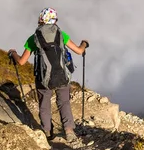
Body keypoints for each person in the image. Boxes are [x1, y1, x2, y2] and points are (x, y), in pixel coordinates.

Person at [9, 8, 88, 142]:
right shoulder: (61, 34)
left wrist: (13, 53)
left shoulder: (34, 38)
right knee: (64, 102)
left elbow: (22, 62)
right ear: (55, 20)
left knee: (44, 103)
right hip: (62, 75)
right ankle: (69, 131)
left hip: (43, 78)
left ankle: (47, 132)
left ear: (41, 19)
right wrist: (84, 44)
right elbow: (79, 51)